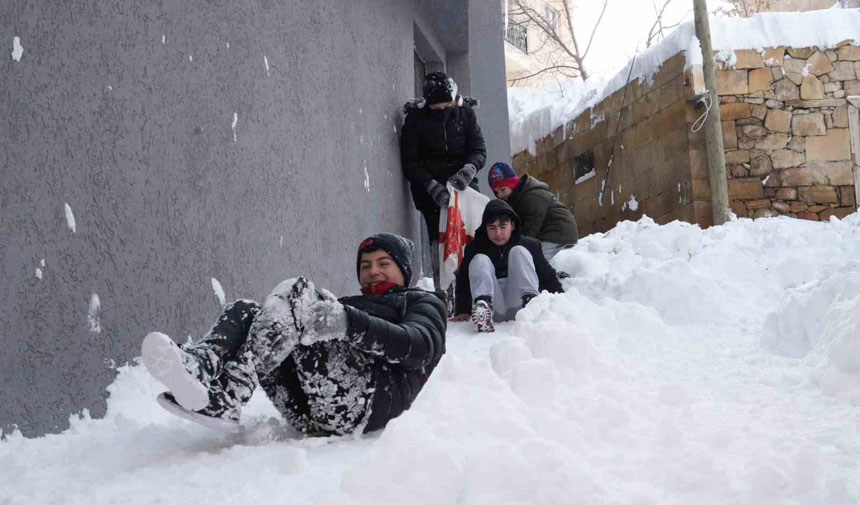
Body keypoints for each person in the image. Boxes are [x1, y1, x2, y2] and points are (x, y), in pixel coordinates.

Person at [141, 233, 446, 436]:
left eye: (384, 263)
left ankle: (230, 394)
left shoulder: (420, 301)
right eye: (365, 265)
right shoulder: (351, 303)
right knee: (247, 310)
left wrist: (345, 321)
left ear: (404, 270)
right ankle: (200, 367)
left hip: (364, 406)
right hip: (305, 408)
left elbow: (420, 346)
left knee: (297, 289)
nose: (372, 271)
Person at [400, 71, 487, 288]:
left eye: (445, 106)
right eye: (435, 107)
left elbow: (479, 150)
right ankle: (444, 291)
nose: (441, 110)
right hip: (431, 194)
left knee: (471, 239)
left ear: (454, 99)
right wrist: (431, 186)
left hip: (464, 189)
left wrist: (469, 169)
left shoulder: (465, 114)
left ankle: (473, 289)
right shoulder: (415, 121)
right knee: (439, 246)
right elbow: (410, 162)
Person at [451, 200, 563, 333]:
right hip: (494, 306)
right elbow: (463, 279)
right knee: (479, 259)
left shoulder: (530, 245)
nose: (498, 233)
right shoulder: (475, 248)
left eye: (503, 227)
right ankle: (482, 308)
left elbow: (546, 275)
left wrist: (561, 301)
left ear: (513, 225)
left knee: (519, 251)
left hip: (521, 305)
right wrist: (462, 310)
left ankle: (530, 301)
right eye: (492, 228)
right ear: (485, 228)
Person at [487, 162, 578, 261]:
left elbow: (530, 228)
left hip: (557, 232)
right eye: (496, 192)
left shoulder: (531, 196)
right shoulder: (517, 198)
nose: (499, 195)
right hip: (547, 233)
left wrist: (513, 246)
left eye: (502, 189)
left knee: (529, 259)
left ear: (512, 185)